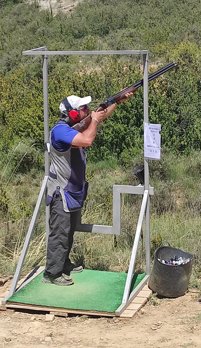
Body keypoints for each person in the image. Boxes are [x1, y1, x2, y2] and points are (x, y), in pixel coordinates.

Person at [43, 93, 132, 286]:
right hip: (62, 192)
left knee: (69, 231)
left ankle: (63, 264)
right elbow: (87, 140)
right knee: (59, 232)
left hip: (73, 190)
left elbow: (99, 115)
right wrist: (95, 121)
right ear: (73, 113)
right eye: (82, 108)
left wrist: (117, 101)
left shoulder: (71, 127)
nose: (86, 111)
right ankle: (52, 273)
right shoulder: (60, 131)